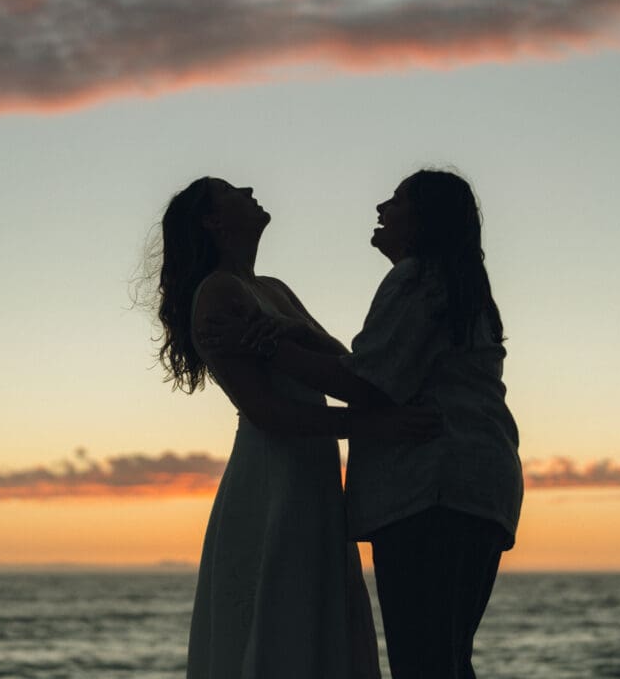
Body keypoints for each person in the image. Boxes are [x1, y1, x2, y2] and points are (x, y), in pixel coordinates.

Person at [209, 169, 523, 679]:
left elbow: (368, 383)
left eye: (397, 201)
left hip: (430, 489)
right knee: (447, 657)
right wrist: (297, 337)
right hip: (481, 486)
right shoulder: (458, 286)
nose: (382, 207)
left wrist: (266, 346)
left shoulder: (418, 277)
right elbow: (371, 366)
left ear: (424, 220)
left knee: (424, 662)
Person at [153, 176, 442, 679]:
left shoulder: (271, 289)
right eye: (228, 190)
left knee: (309, 624)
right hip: (273, 480)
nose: (245, 188)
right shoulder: (218, 292)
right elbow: (268, 412)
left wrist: (297, 329)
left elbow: (348, 366)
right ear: (212, 221)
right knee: (281, 624)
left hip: (310, 476)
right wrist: (377, 425)